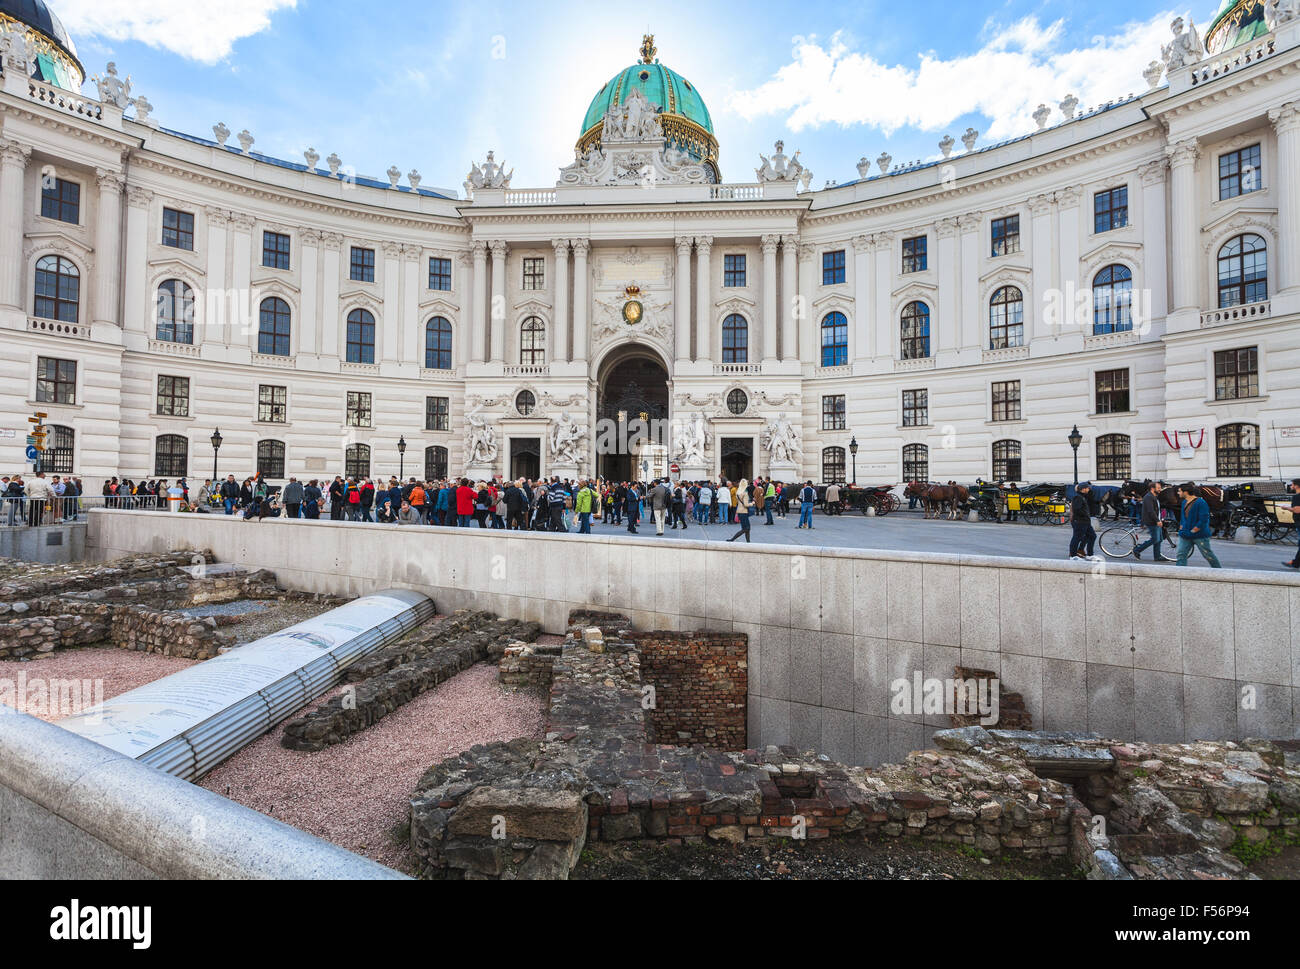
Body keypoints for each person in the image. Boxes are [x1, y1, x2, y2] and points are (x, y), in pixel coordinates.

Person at [1175, 483, 1221, 569]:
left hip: (1199, 535)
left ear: (1186, 492)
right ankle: (1179, 573)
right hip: (1185, 534)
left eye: (1179, 491)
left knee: (1207, 555)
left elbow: (1204, 519)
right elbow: (1183, 516)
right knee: (1181, 554)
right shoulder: (1184, 502)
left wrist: (1195, 529)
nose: (1178, 493)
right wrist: (1181, 526)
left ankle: (1219, 571)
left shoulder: (1201, 502)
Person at [1132, 481, 1169, 562]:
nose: (1160, 490)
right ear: (1152, 489)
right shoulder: (1148, 497)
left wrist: (1161, 519)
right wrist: (1157, 520)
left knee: (1159, 539)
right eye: (1158, 488)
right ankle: (1137, 550)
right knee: (1155, 539)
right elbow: (1150, 511)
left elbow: (1157, 510)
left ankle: (1157, 556)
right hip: (1152, 521)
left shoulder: (1154, 496)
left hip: (1156, 520)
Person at [1069, 482, 1097, 559]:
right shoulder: (1078, 497)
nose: (1089, 489)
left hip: (1085, 522)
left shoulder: (1083, 496)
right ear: (1083, 489)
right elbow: (1077, 509)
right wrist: (1085, 514)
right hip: (1080, 521)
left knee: (1092, 536)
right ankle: (1073, 555)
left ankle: (1090, 554)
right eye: (1088, 488)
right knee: (1076, 538)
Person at [1285, 479, 1300, 569]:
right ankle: (1295, 562)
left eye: (1292, 484)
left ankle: (1295, 563)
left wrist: (1286, 508)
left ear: (1296, 486)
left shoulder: (1297, 497)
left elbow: (1297, 509)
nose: (1291, 486)